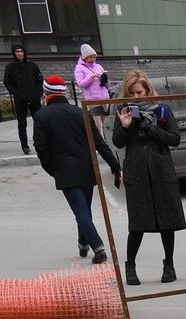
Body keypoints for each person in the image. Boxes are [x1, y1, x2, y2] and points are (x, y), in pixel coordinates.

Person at [33, 75, 120, 264]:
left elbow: (41, 149)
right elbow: (99, 143)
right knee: (84, 209)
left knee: (80, 210)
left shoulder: (42, 116)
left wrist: (52, 169)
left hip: (64, 170)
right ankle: (83, 244)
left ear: (46, 94)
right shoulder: (81, 113)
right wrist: (115, 165)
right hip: (87, 168)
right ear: (64, 93)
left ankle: (98, 247)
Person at [111, 70, 184, 286]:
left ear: (147, 90)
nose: (136, 97)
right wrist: (125, 127)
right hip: (137, 172)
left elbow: (174, 139)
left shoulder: (162, 110)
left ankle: (169, 264)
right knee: (137, 224)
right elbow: (117, 142)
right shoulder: (122, 111)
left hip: (161, 171)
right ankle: (130, 266)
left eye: (139, 92)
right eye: (131, 93)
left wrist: (151, 129)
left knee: (167, 222)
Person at [4, 44, 43, 154]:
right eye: (17, 52)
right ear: (14, 53)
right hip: (20, 100)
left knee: (39, 121)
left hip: (34, 98)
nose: (20, 54)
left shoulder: (32, 65)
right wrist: (17, 93)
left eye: (21, 51)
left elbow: (39, 80)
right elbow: (7, 83)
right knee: (22, 123)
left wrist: (38, 93)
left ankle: (39, 142)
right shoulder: (10, 67)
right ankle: (24, 145)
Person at [75, 44, 109, 109]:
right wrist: (91, 77)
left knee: (106, 117)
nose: (93, 59)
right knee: (96, 117)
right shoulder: (79, 68)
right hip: (92, 99)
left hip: (104, 97)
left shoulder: (98, 66)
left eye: (94, 57)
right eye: (91, 57)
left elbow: (107, 84)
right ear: (85, 57)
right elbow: (81, 84)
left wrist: (105, 79)